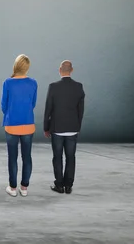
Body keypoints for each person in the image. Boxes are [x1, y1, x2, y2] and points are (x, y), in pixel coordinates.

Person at [43, 60, 85, 194]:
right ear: (71, 70)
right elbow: (81, 110)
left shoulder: (53, 86)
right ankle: (69, 186)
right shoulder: (78, 86)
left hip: (57, 128)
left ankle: (59, 185)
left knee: (57, 157)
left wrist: (46, 127)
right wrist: (78, 125)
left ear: (59, 70)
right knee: (71, 157)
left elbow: (48, 108)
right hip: (72, 128)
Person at [1, 54, 38, 197]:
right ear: (27, 68)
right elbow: (33, 104)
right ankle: (24, 187)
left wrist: (11, 113)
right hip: (28, 124)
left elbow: (4, 105)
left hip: (11, 125)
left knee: (12, 157)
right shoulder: (33, 83)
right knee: (27, 157)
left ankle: (13, 187)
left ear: (15, 66)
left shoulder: (8, 83)